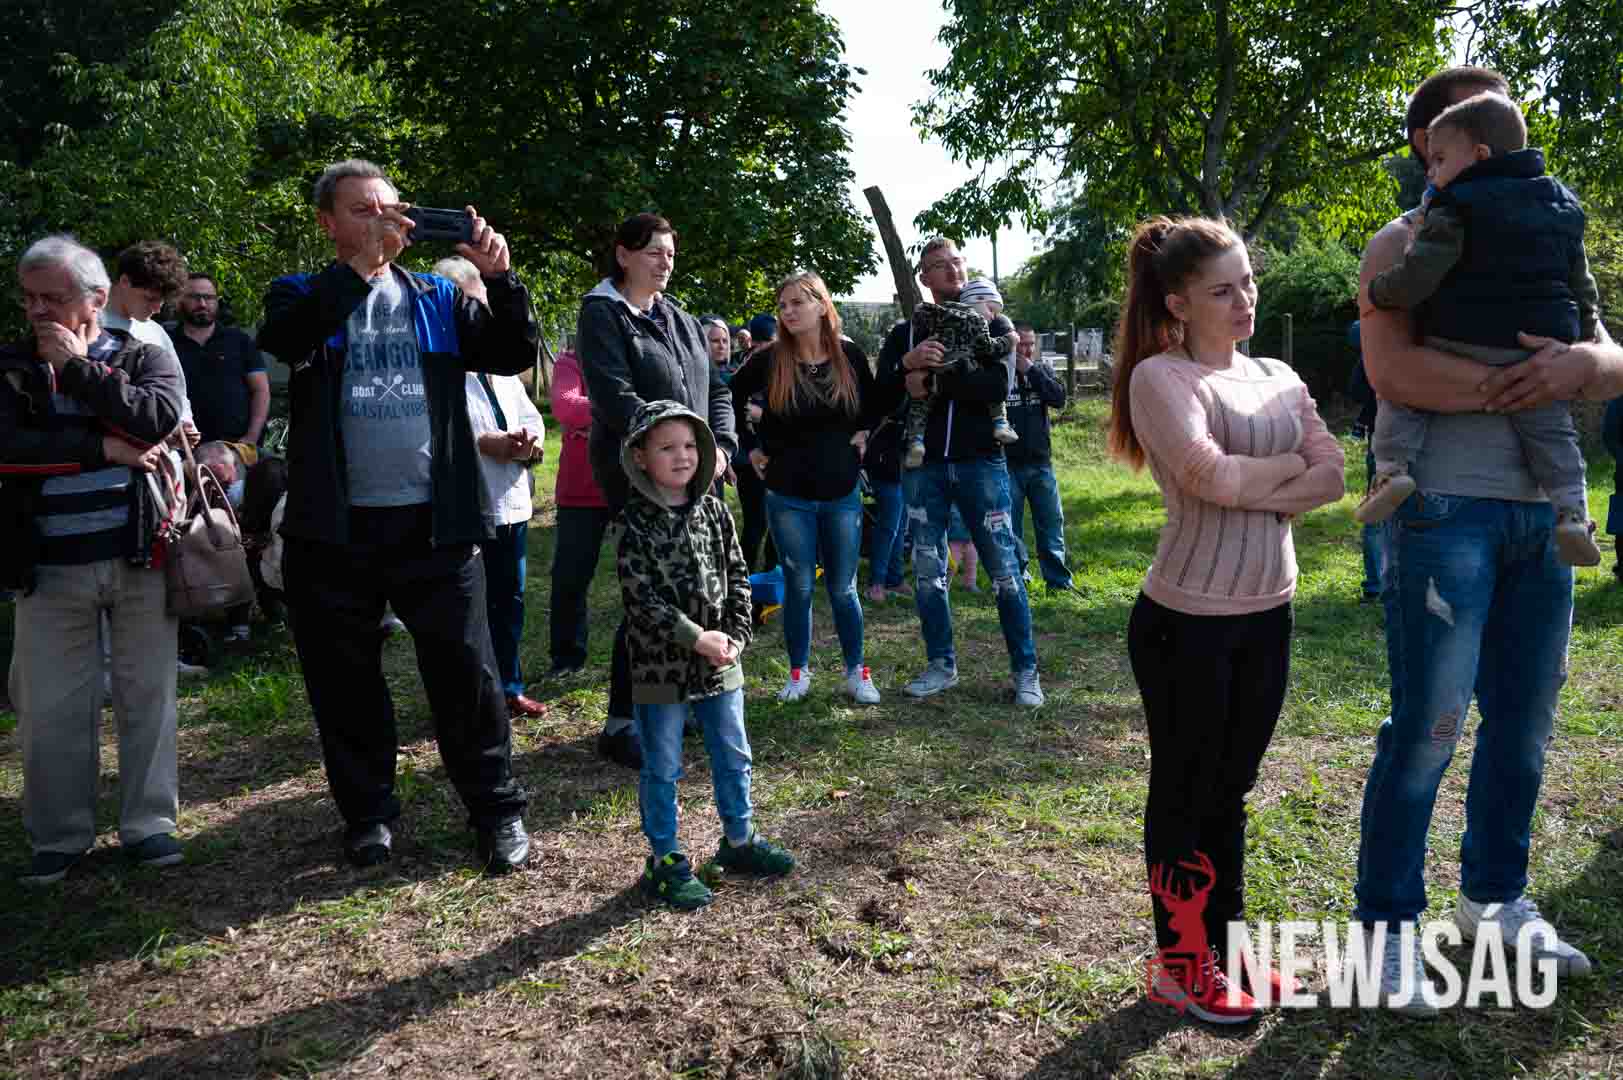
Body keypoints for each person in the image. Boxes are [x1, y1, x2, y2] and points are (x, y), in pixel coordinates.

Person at [1353, 65, 1623, 1014]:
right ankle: (1385, 929)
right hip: (1445, 506)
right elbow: (1391, 372)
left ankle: (1494, 899)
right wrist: (1523, 386)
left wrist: (1582, 361)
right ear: (1430, 146)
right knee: (1429, 725)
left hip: (1543, 518)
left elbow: (1606, 351)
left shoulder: (1543, 228)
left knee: (1523, 722)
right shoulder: (1404, 239)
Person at [258, 158, 533, 872]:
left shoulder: (438, 295)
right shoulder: (299, 293)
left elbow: (510, 351)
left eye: (390, 207)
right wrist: (361, 270)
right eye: (362, 210)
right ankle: (369, 816)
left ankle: (496, 810)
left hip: (434, 523)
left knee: (467, 675)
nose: (383, 220)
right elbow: (287, 339)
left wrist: (502, 280)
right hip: (334, 528)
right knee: (345, 683)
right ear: (327, 223)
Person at [1110, 215, 1345, 1023]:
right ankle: (1181, 965)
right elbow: (1206, 478)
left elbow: (1333, 476)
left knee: (1230, 790)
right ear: (1177, 304)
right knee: (1184, 791)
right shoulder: (1160, 379)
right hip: (1185, 622)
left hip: (1267, 613)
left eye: (1246, 281)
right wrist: (1284, 475)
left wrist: (1255, 482)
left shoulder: (1277, 373)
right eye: (1221, 290)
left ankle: (1229, 954)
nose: (1243, 299)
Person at [2, 235, 187, 885]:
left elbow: (156, 419)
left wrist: (81, 371)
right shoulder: (11, 366)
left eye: (52, 298)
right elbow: (8, 447)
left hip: (140, 555)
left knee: (148, 697)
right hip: (48, 565)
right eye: (29, 298)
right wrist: (102, 450)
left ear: (96, 298)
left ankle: (149, 824)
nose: (38, 311)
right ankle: (59, 835)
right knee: (49, 707)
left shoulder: (143, 356)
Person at [1356, 91, 1602, 567]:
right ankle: (1572, 511)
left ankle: (1390, 469)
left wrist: (1379, 292)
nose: (1431, 172)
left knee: (1403, 401)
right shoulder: (1562, 206)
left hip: (1462, 336)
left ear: (1480, 155)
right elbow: (1581, 283)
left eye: (1440, 160)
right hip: (1538, 346)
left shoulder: (1454, 206)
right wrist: (1582, 338)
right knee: (1552, 431)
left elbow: (1421, 275)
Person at [616, 400, 794, 909]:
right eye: (667, 447)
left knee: (733, 754)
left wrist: (735, 637)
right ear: (640, 457)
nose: (682, 456)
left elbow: (739, 576)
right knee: (663, 765)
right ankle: (665, 859)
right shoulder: (633, 522)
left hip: (721, 664)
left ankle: (739, 839)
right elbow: (641, 599)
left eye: (690, 445)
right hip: (660, 669)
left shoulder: (715, 511)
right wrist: (695, 637)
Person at [577, 213, 737, 771]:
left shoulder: (681, 319)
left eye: (670, 252)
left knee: (695, 589)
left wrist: (720, 447)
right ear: (623, 255)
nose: (665, 262)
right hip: (640, 479)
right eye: (653, 252)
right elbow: (614, 397)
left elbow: (718, 390)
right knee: (650, 598)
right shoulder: (602, 314)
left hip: (698, 476)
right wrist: (671, 452)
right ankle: (623, 721)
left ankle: (677, 700)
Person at [876, 237, 1043, 706]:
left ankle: (1026, 672)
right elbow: (878, 397)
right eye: (939, 265)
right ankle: (940, 665)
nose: (952, 271)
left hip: (981, 463)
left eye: (957, 262)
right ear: (923, 278)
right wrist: (907, 367)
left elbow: (996, 385)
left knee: (1004, 570)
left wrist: (933, 378)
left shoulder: (995, 322)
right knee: (928, 572)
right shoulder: (906, 333)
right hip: (922, 467)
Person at [729, 271, 897, 704]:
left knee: (843, 588)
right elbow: (727, 395)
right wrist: (748, 447)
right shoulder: (770, 358)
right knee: (799, 586)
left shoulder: (848, 354)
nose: (787, 312)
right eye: (783, 305)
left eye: (796, 303)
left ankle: (857, 672)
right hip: (787, 494)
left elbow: (875, 405)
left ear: (821, 305)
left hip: (841, 493)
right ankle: (798, 673)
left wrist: (865, 433)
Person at [434, 255, 548, 720]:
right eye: (474, 303)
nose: (482, 313)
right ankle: (467, 698)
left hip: (511, 502)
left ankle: (509, 687)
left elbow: (531, 417)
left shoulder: (501, 366)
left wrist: (528, 442)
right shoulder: (439, 364)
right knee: (463, 607)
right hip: (466, 506)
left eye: (482, 302)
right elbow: (439, 430)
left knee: (508, 600)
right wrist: (488, 443)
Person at [547, 347, 614, 678]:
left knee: (644, 575)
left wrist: (592, 424)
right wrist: (616, 415)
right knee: (570, 578)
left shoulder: (625, 356)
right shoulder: (571, 361)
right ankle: (567, 658)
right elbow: (565, 406)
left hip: (631, 486)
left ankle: (646, 654)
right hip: (580, 493)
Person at [902, 280, 1019, 467]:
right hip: (963, 366)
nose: (993, 316)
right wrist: (1009, 340)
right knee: (994, 399)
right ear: (977, 301)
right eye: (991, 309)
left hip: (936, 364)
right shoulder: (977, 321)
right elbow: (988, 348)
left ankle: (916, 442)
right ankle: (1000, 424)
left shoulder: (940, 315)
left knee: (919, 405)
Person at [1004, 320, 1076, 593]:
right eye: (1021, 344)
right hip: (1008, 464)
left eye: (1031, 344)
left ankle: (1058, 583)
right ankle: (1018, 581)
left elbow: (1059, 398)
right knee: (1011, 528)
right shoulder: (1000, 373)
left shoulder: (1042, 370)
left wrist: (1032, 372)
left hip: (1040, 463)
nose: (1026, 350)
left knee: (1050, 524)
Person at [170, 273, 270, 446]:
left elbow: (261, 390)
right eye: (194, 297)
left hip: (235, 447)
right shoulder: (167, 342)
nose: (202, 304)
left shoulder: (239, 341)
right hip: (182, 447)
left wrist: (251, 437)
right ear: (180, 300)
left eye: (209, 297)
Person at [732, 314, 779, 573]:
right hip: (749, 458)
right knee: (756, 521)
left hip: (778, 455)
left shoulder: (782, 365)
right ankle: (744, 574)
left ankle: (773, 572)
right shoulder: (747, 368)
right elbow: (735, 404)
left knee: (778, 521)